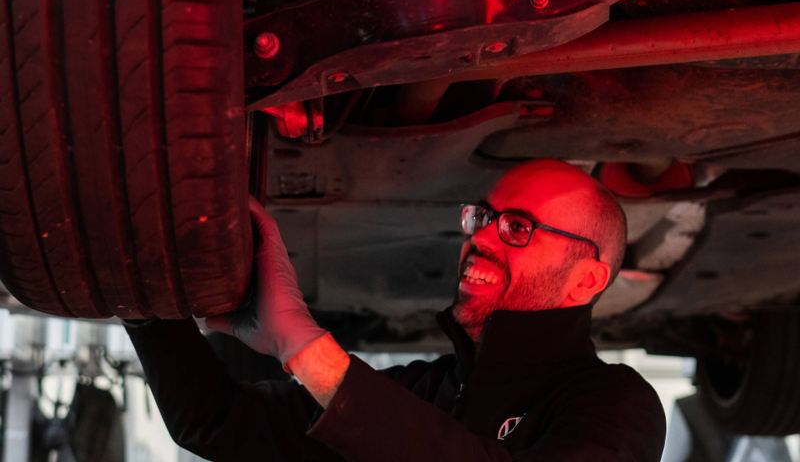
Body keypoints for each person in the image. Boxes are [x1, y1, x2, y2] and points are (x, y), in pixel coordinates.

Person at [125, 159, 666, 461]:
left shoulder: (616, 404)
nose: (480, 240)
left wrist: (306, 350)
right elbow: (219, 423)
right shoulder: (429, 390)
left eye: (517, 228)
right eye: (482, 218)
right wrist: (136, 294)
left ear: (585, 279)